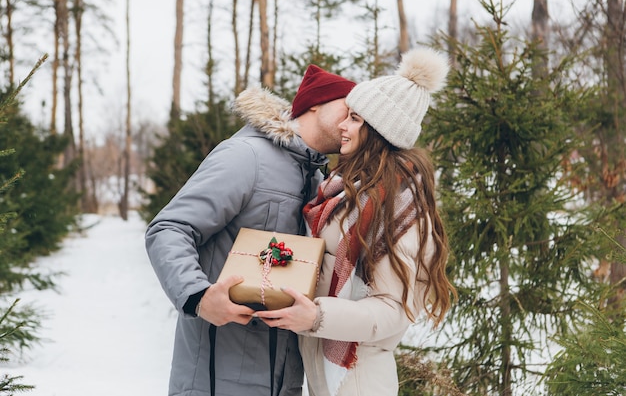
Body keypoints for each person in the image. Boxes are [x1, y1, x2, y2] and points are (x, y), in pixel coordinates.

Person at [255, 48, 458, 396]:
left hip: (360, 379)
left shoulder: (399, 206)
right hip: (327, 374)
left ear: (378, 129)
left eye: (355, 119)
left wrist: (316, 316)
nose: (343, 126)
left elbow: (393, 309)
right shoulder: (346, 190)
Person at [145, 65, 356, 396]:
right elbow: (169, 228)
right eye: (348, 109)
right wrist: (198, 297)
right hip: (217, 377)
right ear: (315, 103)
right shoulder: (246, 156)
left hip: (283, 379)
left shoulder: (314, 179)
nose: (351, 124)